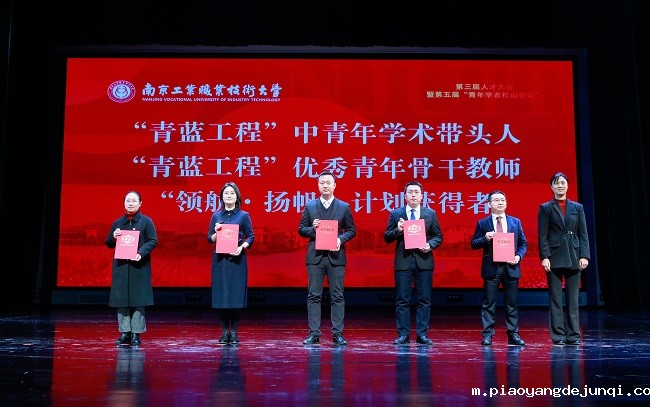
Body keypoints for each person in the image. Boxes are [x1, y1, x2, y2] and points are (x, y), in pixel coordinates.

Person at [298, 172, 357, 345]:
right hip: (315, 257)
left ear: (334, 185)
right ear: (318, 185)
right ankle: (314, 334)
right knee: (313, 295)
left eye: (328, 183)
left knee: (337, 296)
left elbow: (352, 230)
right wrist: (313, 229)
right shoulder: (310, 206)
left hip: (336, 257)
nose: (325, 185)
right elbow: (301, 229)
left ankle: (338, 334)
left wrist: (340, 239)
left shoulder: (343, 207)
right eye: (322, 183)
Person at [384, 181, 443, 346]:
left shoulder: (430, 213)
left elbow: (438, 236)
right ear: (405, 196)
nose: (413, 195)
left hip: (424, 261)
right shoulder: (396, 213)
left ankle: (422, 334)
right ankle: (403, 335)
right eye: (410, 192)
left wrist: (429, 245)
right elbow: (387, 237)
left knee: (424, 299)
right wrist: (398, 230)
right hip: (403, 261)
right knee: (402, 300)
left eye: (417, 192)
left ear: (422, 196)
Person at [538, 172, 590, 346]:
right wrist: (545, 257)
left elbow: (583, 233)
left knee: (573, 299)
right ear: (551, 187)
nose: (560, 186)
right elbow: (542, 235)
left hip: (574, 255)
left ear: (567, 185)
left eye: (563, 183)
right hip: (554, 257)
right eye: (556, 183)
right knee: (555, 298)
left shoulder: (577, 207)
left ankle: (573, 335)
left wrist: (584, 255)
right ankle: (558, 335)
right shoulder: (546, 208)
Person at [470, 190, 527, 346]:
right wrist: (485, 238)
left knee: (512, 303)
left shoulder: (515, 222)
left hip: (511, 267)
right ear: (489, 204)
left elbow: (523, 243)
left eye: (503, 200)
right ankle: (487, 335)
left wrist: (518, 256)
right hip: (492, 268)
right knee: (489, 303)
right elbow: (474, 244)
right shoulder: (483, 223)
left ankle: (513, 334)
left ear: (506, 203)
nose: (500, 202)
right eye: (496, 200)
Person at [105, 190, 158, 347]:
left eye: (134, 200)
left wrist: (140, 253)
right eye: (128, 200)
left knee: (138, 300)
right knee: (121, 299)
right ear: (123, 203)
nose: (130, 203)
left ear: (140, 203)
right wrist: (114, 237)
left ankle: (136, 333)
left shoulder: (146, 221)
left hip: (139, 265)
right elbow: (108, 242)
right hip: (121, 267)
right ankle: (124, 332)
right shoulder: (117, 223)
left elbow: (152, 240)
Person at [207, 182, 254, 345]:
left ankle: (233, 332)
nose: (229, 195)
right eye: (226, 193)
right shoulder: (216, 216)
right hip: (220, 260)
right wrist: (216, 232)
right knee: (221, 297)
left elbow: (251, 236)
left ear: (237, 196)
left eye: (232, 193)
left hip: (237, 260)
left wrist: (242, 247)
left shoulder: (243, 215)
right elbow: (209, 239)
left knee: (235, 297)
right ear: (221, 197)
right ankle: (224, 332)